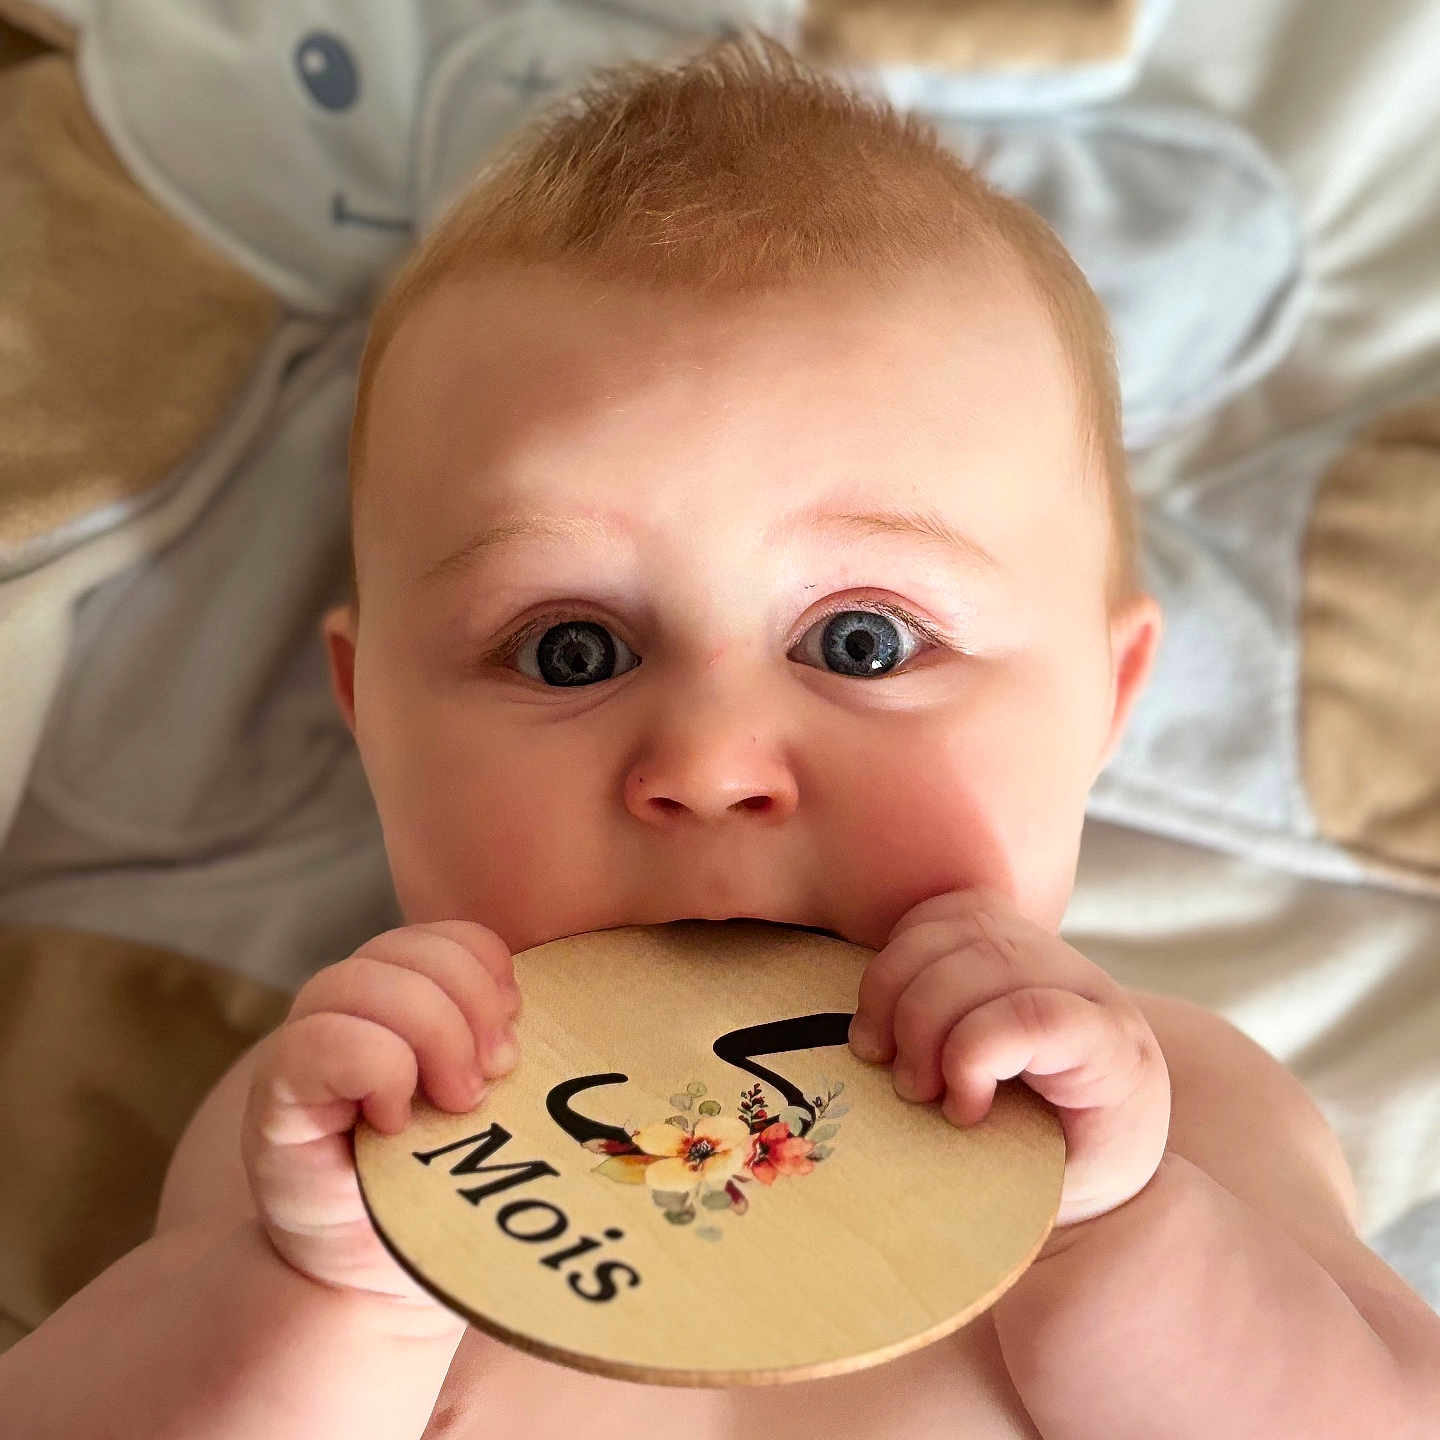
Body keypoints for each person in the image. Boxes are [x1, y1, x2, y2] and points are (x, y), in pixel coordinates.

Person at [4, 28, 1437, 1439]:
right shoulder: (347, 1132)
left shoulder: (1182, 1117)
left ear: (1105, 706)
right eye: (572, 649)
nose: (707, 764)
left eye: (861, 642)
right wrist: (336, 1293)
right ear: (370, 716)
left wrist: (1112, 1236)